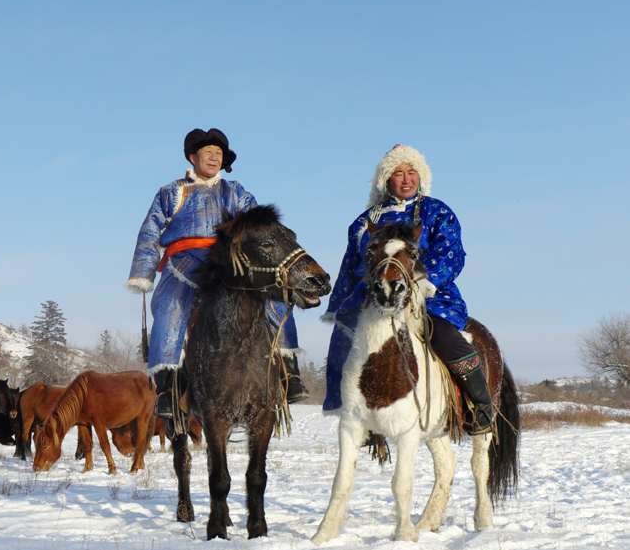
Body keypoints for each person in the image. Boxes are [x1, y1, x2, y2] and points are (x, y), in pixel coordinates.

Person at [126, 128, 306, 430]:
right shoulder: (171, 192)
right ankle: (169, 389)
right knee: (171, 307)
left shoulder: (236, 191)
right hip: (183, 262)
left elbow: (259, 225)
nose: (213, 156)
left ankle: (289, 372)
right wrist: (143, 273)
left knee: (274, 297)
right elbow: (149, 231)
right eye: (208, 151)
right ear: (192, 156)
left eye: (219, 153)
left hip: (229, 261)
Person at [322, 144, 494, 434]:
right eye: (398, 173)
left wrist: (427, 280)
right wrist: (340, 304)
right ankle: (354, 415)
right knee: (345, 339)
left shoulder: (437, 212)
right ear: (385, 180)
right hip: (374, 297)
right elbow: (351, 264)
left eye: (411, 172)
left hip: (427, 296)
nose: (405, 179)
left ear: (420, 176)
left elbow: (452, 252)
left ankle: (480, 405)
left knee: (445, 337)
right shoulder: (365, 222)